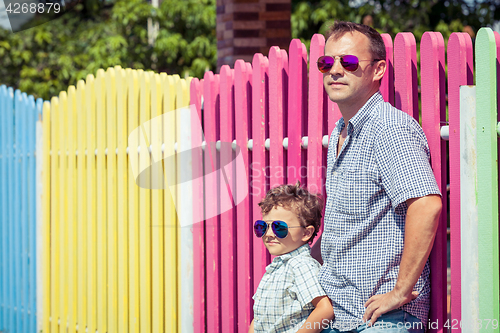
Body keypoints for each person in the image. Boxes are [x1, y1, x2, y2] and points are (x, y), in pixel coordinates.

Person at [312, 21, 442, 332]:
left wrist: (400, 291)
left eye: (350, 62)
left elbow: (427, 206)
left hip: (383, 320)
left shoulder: (389, 129)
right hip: (340, 315)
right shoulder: (342, 132)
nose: (335, 70)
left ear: (378, 70)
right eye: (327, 62)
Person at [248, 182, 335, 333]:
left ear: (306, 233)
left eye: (279, 227)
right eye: (262, 226)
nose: (268, 234)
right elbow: (260, 317)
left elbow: (325, 310)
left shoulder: (301, 265)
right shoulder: (278, 267)